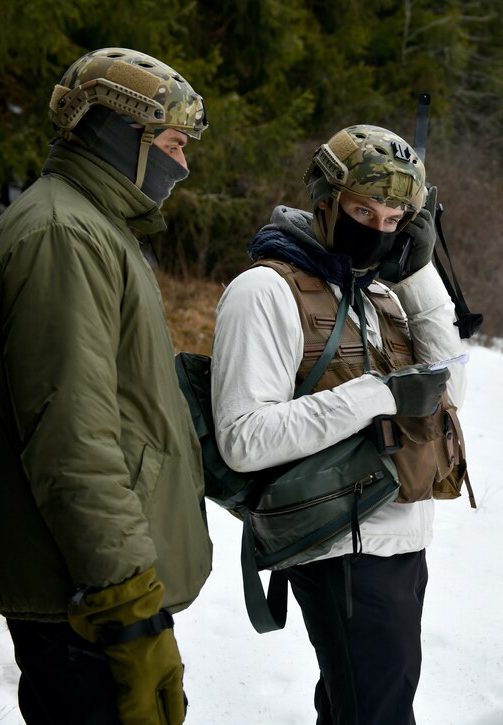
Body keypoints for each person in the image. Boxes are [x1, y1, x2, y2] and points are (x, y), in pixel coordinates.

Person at [0, 48, 213, 725]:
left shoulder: (92, 228)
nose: (182, 164)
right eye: (170, 144)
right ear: (116, 134)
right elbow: (72, 441)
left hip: (92, 591)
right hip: (87, 602)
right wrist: (129, 608)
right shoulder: (61, 237)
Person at [210, 124, 468, 724]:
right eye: (363, 210)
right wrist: (374, 395)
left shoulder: (378, 291)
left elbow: (450, 388)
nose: (378, 229)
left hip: (400, 539)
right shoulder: (264, 292)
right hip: (339, 547)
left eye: (394, 219)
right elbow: (243, 439)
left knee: (363, 709)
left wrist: (417, 271)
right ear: (325, 202)